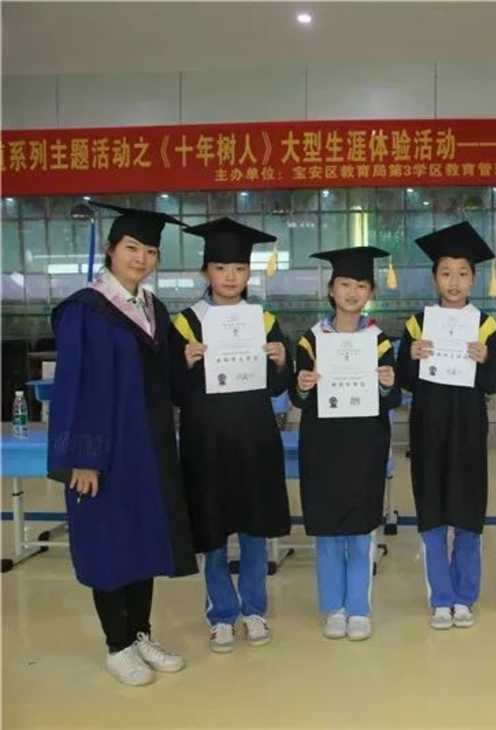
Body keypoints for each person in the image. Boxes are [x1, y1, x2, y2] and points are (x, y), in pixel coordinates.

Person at [48, 202, 197, 686]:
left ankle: (140, 634)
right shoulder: (85, 310)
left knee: (143, 540)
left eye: (150, 251)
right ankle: (117, 646)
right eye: (132, 248)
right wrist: (82, 459)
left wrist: (189, 359)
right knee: (109, 543)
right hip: (104, 453)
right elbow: (74, 388)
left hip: (148, 449)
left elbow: (167, 377)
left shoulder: (154, 308)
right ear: (111, 249)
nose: (141, 258)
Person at [170, 218, 292, 653]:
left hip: (254, 438)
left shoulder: (265, 320)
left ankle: (254, 609)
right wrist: (183, 363)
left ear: (248, 273)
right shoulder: (186, 323)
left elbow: (280, 387)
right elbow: (171, 390)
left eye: (239, 269)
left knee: (256, 529)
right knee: (213, 530)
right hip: (206, 442)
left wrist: (281, 361)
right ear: (206, 271)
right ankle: (221, 614)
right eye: (220, 268)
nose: (229, 277)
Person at [396, 222, 496, 630]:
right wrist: (411, 356)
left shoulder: (485, 325)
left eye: (463, 273)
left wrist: (485, 359)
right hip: (428, 430)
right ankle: (441, 598)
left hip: (467, 432)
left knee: (466, 513)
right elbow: (403, 380)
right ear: (434, 278)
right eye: (446, 273)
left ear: (473, 279)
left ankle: (464, 597)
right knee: (432, 512)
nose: (454, 281)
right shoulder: (417, 324)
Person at [292, 246, 399, 642]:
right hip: (323, 445)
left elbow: (392, 396)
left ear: (370, 292)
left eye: (361, 285)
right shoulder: (310, 340)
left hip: (365, 444)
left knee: (360, 528)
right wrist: (303, 386)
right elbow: (298, 396)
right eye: (345, 284)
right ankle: (333, 608)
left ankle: (358, 608)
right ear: (331, 289)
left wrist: (388, 384)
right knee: (327, 531)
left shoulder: (379, 340)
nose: (353, 292)